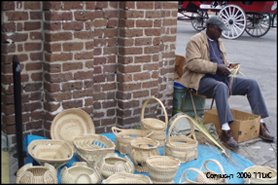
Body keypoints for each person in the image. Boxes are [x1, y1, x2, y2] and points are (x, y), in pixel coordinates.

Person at [177, 16, 274, 151]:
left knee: (252, 84)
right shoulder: (195, 41)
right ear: (210, 27)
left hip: (220, 78)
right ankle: (225, 130)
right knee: (220, 87)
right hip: (201, 80)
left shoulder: (218, 41)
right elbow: (193, 63)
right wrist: (216, 67)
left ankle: (261, 123)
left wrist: (229, 67)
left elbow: (222, 61)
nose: (221, 33)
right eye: (219, 30)